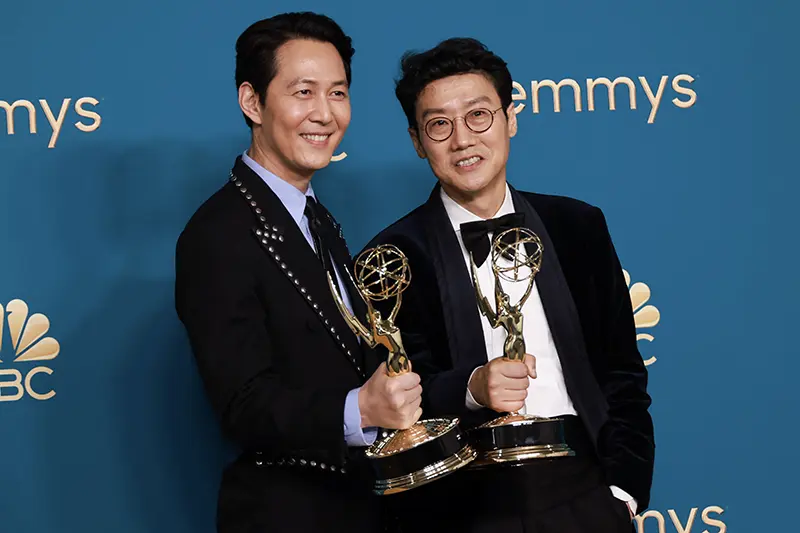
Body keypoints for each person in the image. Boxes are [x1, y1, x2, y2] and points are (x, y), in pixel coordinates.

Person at [364, 37, 655, 533]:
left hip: (585, 493)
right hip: (465, 505)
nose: (463, 139)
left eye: (479, 115)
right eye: (439, 125)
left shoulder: (579, 227)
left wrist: (622, 492)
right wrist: (473, 388)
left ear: (510, 118)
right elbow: (396, 405)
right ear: (417, 141)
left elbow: (622, 374)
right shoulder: (391, 257)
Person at [174, 12, 422, 533]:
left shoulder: (317, 219)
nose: (325, 114)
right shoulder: (217, 234)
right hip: (288, 514)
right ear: (252, 102)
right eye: (303, 92)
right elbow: (242, 404)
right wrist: (361, 408)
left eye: (337, 93)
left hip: (357, 507)